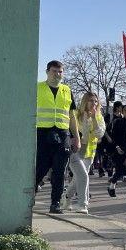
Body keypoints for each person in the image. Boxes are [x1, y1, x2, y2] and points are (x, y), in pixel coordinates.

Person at [35, 60, 80, 214]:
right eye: (54, 71)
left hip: (62, 134)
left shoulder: (67, 90)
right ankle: (29, 195)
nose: (57, 74)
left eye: (60, 71)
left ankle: (55, 203)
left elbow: (72, 115)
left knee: (60, 171)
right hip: (42, 133)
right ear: (47, 72)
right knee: (40, 168)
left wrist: (76, 137)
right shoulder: (37, 88)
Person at [64, 91, 106, 214]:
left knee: (78, 178)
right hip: (75, 150)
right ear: (85, 102)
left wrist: (93, 118)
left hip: (89, 151)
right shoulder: (76, 114)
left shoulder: (98, 116)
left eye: (95, 101)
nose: (93, 103)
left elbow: (99, 133)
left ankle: (66, 197)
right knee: (83, 176)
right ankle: (83, 204)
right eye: (91, 100)